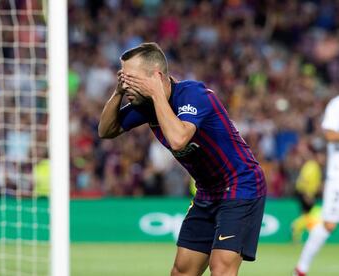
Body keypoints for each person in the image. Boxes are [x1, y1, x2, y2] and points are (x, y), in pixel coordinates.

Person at [98, 42, 267, 276]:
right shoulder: (145, 105)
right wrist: (118, 92)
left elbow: (179, 139)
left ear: (156, 77)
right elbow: (106, 131)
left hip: (241, 184)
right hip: (207, 191)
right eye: (123, 78)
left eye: (132, 79)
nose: (126, 84)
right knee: (182, 271)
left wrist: (157, 94)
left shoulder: (193, 95)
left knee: (221, 269)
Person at [294, 95, 339, 276]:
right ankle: (300, 270)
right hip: (337, 174)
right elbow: (329, 133)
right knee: (328, 224)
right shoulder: (336, 104)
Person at [291, 145, 323, 242]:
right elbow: (305, 180)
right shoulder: (313, 165)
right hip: (306, 193)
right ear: (316, 156)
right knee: (313, 214)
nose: (323, 159)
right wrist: (307, 194)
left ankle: (297, 235)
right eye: (322, 157)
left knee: (307, 215)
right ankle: (296, 225)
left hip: (306, 193)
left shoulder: (311, 165)